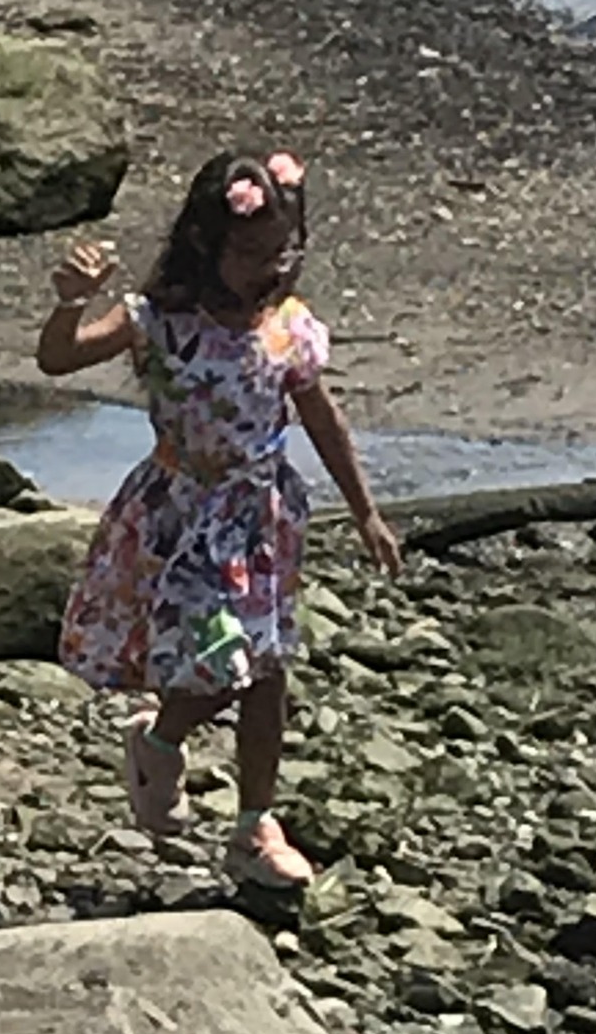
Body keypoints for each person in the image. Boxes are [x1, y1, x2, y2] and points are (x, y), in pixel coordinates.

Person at [40, 147, 401, 890]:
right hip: (182, 513)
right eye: (251, 254)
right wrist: (72, 300)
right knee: (226, 664)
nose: (269, 269)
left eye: (282, 253)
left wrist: (364, 509)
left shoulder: (286, 328)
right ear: (206, 243)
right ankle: (162, 740)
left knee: (268, 671)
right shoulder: (161, 321)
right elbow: (58, 359)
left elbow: (320, 417)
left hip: (262, 512)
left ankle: (253, 826)